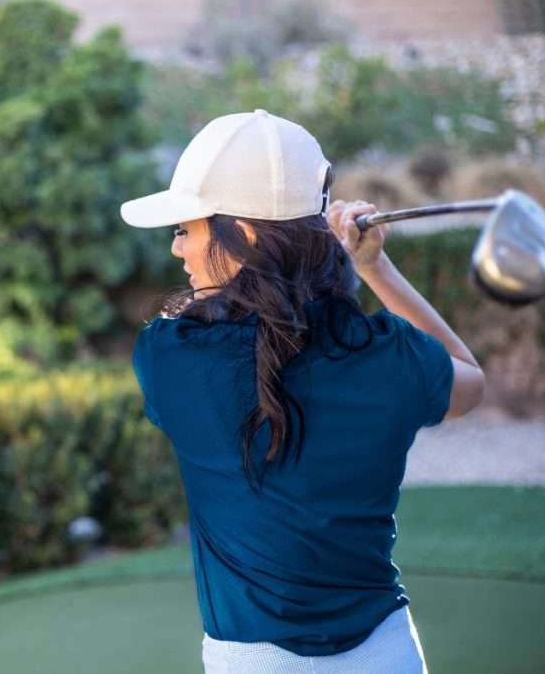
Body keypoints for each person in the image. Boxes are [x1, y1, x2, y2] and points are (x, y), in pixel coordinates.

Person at [120, 109, 486, 673]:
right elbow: (468, 380)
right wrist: (375, 267)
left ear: (242, 235)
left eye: (185, 230)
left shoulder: (170, 357)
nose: (177, 248)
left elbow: (222, 322)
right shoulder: (386, 351)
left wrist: (305, 264)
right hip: (387, 654)